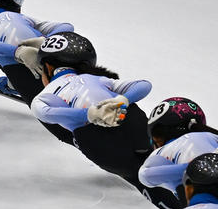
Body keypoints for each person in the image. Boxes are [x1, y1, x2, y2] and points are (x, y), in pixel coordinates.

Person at [26, 33, 153, 184]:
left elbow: (44, 113)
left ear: (47, 67)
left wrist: (90, 114)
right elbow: (144, 85)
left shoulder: (44, 95)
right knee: (128, 107)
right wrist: (123, 100)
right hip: (135, 127)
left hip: (99, 145)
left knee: (136, 175)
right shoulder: (97, 79)